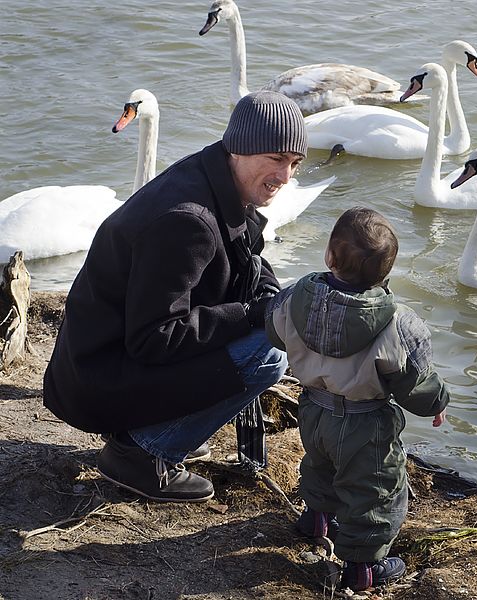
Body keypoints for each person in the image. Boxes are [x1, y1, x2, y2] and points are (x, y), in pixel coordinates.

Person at [42, 90, 309, 502]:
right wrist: (251, 314)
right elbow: (155, 337)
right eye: (275, 159)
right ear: (240, 148)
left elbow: (247, 255)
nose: (285, 176)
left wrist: (267, 296)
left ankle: (164, 428)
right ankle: (140, 452)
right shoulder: (189, 221)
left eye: (293, 163)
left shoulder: (213, 177)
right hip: (95, 380)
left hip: (103, 361)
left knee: (265, 325)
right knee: (267, 354)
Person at [265, 207, 450, 592]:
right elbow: (413, 383)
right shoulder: (398, 321)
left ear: (329, 256)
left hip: (313, 409)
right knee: (373, 490)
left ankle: (315, 519)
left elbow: (274, 330)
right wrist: (438, 401)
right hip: (365, 422)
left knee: (319, 464)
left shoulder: (297, 297)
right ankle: (362, 567)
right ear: (386, 273)